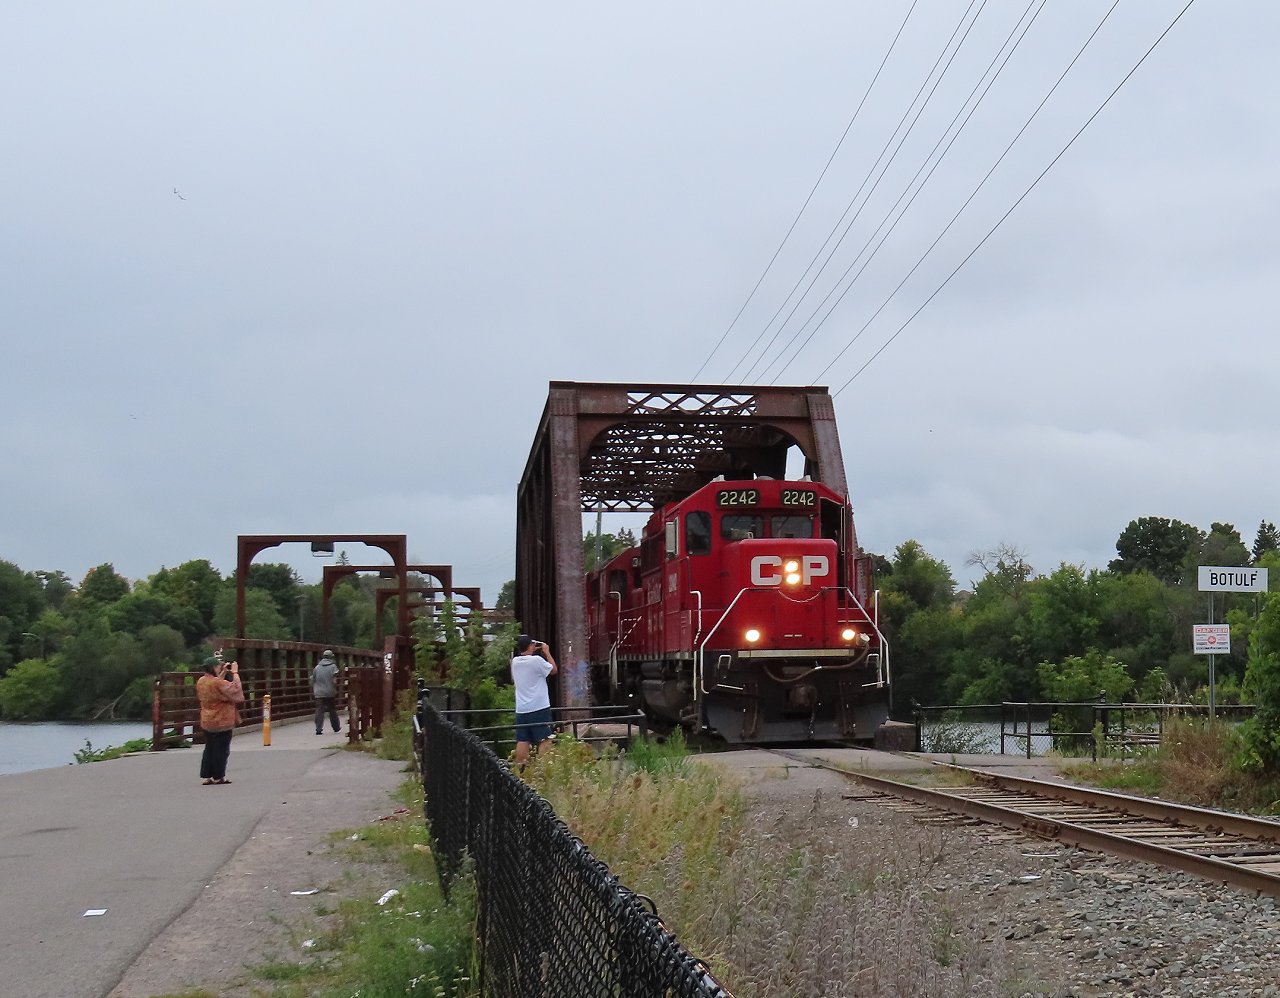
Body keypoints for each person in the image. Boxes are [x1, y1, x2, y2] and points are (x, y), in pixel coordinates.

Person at [196, 655, 245, 785]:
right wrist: (235, 673)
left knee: (210, 748)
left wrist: (222, 673)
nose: (219, 667)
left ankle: (207, 776)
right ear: (213, 667)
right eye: (218, 666)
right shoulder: (218, 682)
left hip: (207, 720)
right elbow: (234, 690)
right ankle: (219, 776)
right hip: (221, 720)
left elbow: (216, 688)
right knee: (221, 750)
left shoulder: (201, 681)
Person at [511, 634, 557, 766]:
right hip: (539, 707)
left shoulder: (515, 662)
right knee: (544, 738)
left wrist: (531, 648)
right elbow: (553, 670)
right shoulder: (537, 660)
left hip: (522, 709)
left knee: (523, 739)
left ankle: (521, 770)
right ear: (531, 645)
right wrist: (546, 652)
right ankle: (544, 769)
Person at [312, 649, 341, 735]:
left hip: (319, 692)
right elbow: (335, 681)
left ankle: (318, 728)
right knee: (332, 710)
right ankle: (336, 727)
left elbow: (313, 680)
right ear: (331, 657)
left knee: (319, 710)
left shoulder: (316, 668)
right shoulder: (333, 667)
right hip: (330, 692)